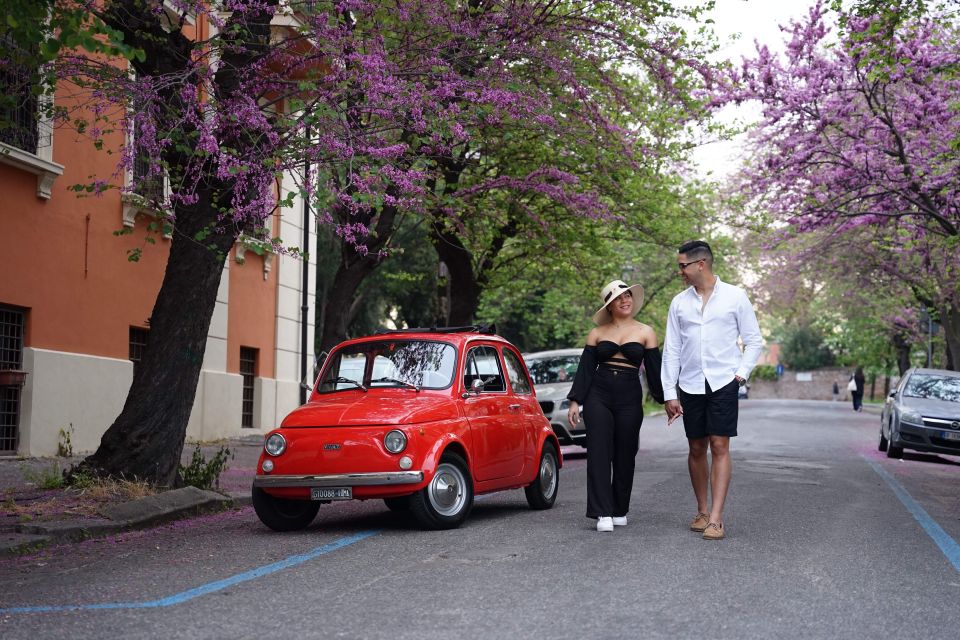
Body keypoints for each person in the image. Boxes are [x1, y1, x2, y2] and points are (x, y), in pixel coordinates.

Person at [661, 240, 763, 541]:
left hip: (723, 382)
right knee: (696, 448)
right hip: (691, 383)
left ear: (700, 264)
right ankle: (702, 510)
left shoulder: (735, 297)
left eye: (683, 266)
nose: (680, 271)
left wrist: (740, 376)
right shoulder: (679, 303)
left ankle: (717, 518)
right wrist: (670, 392)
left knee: (720, 445)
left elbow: (754, 341)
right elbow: (672, 350)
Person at [566, 279, 664, 532]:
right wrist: (576, 400)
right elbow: (585, 371)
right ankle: (603, 513)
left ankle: (619, 508)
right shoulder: (597, 333)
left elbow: (655, 372)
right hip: (599, 393)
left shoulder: (646, 332)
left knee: (625, 453)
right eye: (619, 298)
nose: (625, 300)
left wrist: (669, 399)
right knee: (598, 452)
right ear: (609, 305)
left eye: (628, 296)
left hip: (629, 394)